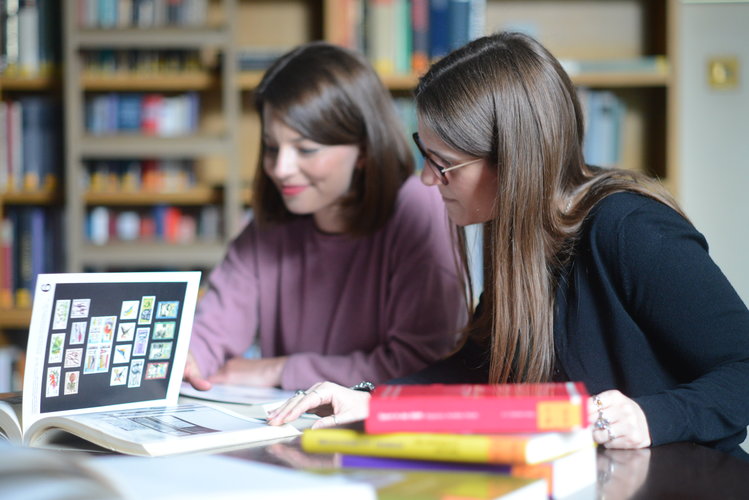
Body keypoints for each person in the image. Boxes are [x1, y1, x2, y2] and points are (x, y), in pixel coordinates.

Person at [268, 32, 749, 461]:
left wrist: (650, 417)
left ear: (512, 162)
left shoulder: (630, 227)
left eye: (443, 163)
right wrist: (376, 400)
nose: (426, 179)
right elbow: (476, 366)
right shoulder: (515, 232)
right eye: (425, 154)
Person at [184, 42, 467, 391]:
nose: (280, 169)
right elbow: (212, 329)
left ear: (363, 150)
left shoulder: (418, 209)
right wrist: (189, 356)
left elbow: (419, 365)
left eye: (306, 149)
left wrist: (279, 371)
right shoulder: (270, 223)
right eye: (272, 147)